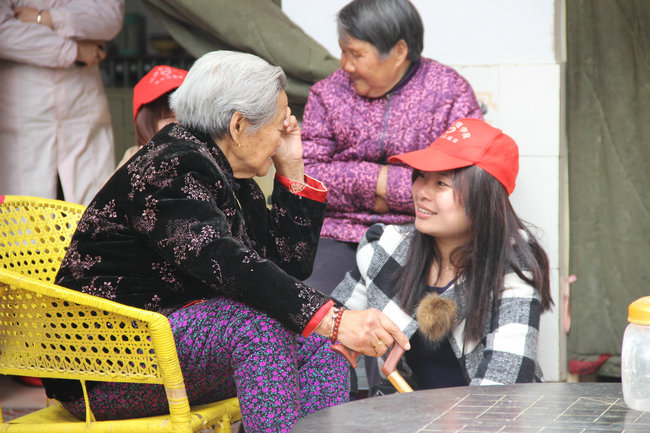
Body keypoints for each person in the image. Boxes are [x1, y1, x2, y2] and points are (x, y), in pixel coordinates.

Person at [41, 51, 410, 433]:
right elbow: (227, 263)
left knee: (321, 342)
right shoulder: (170, 167)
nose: (284, 134)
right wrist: (335, 319)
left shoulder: (231, 175)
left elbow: (286, 269)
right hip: (105, 367)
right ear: (238, 125)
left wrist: (292, 168)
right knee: (259, 327)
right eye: (279, 125)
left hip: (170, 350)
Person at [332, 118, 553, 391]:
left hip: (489, 414)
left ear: (483, 198)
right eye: (421, 176)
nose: (422, 193)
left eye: (441, 183)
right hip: (399, 412)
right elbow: (330, 333)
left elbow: (503, 382)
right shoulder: (385, 247)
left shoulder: (512, 264)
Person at [301, 0, 484, 295]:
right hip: (338, 233)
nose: (345, 65)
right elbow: (308, 177)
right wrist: (394, 180)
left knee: (414, 315)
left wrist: (365, 183)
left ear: (399, 51)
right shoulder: (326, 93)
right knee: (314, 306)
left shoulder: (450, 93)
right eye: (343, 51)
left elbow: (468, 181)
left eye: (356, 54)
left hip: (422, 235)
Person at [0, 1, 124, 205]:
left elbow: (110, 17)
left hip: (81, 103)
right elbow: (4, 33)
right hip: (22, 108)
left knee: (94, 204)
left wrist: (45, 18)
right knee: (23, 210)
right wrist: (74, 50)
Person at [115, 65, 188, 169]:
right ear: (145, 124)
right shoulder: (134, 159)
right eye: (167, 117)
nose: (180, 123)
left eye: (187, 115)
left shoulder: (207, 154)